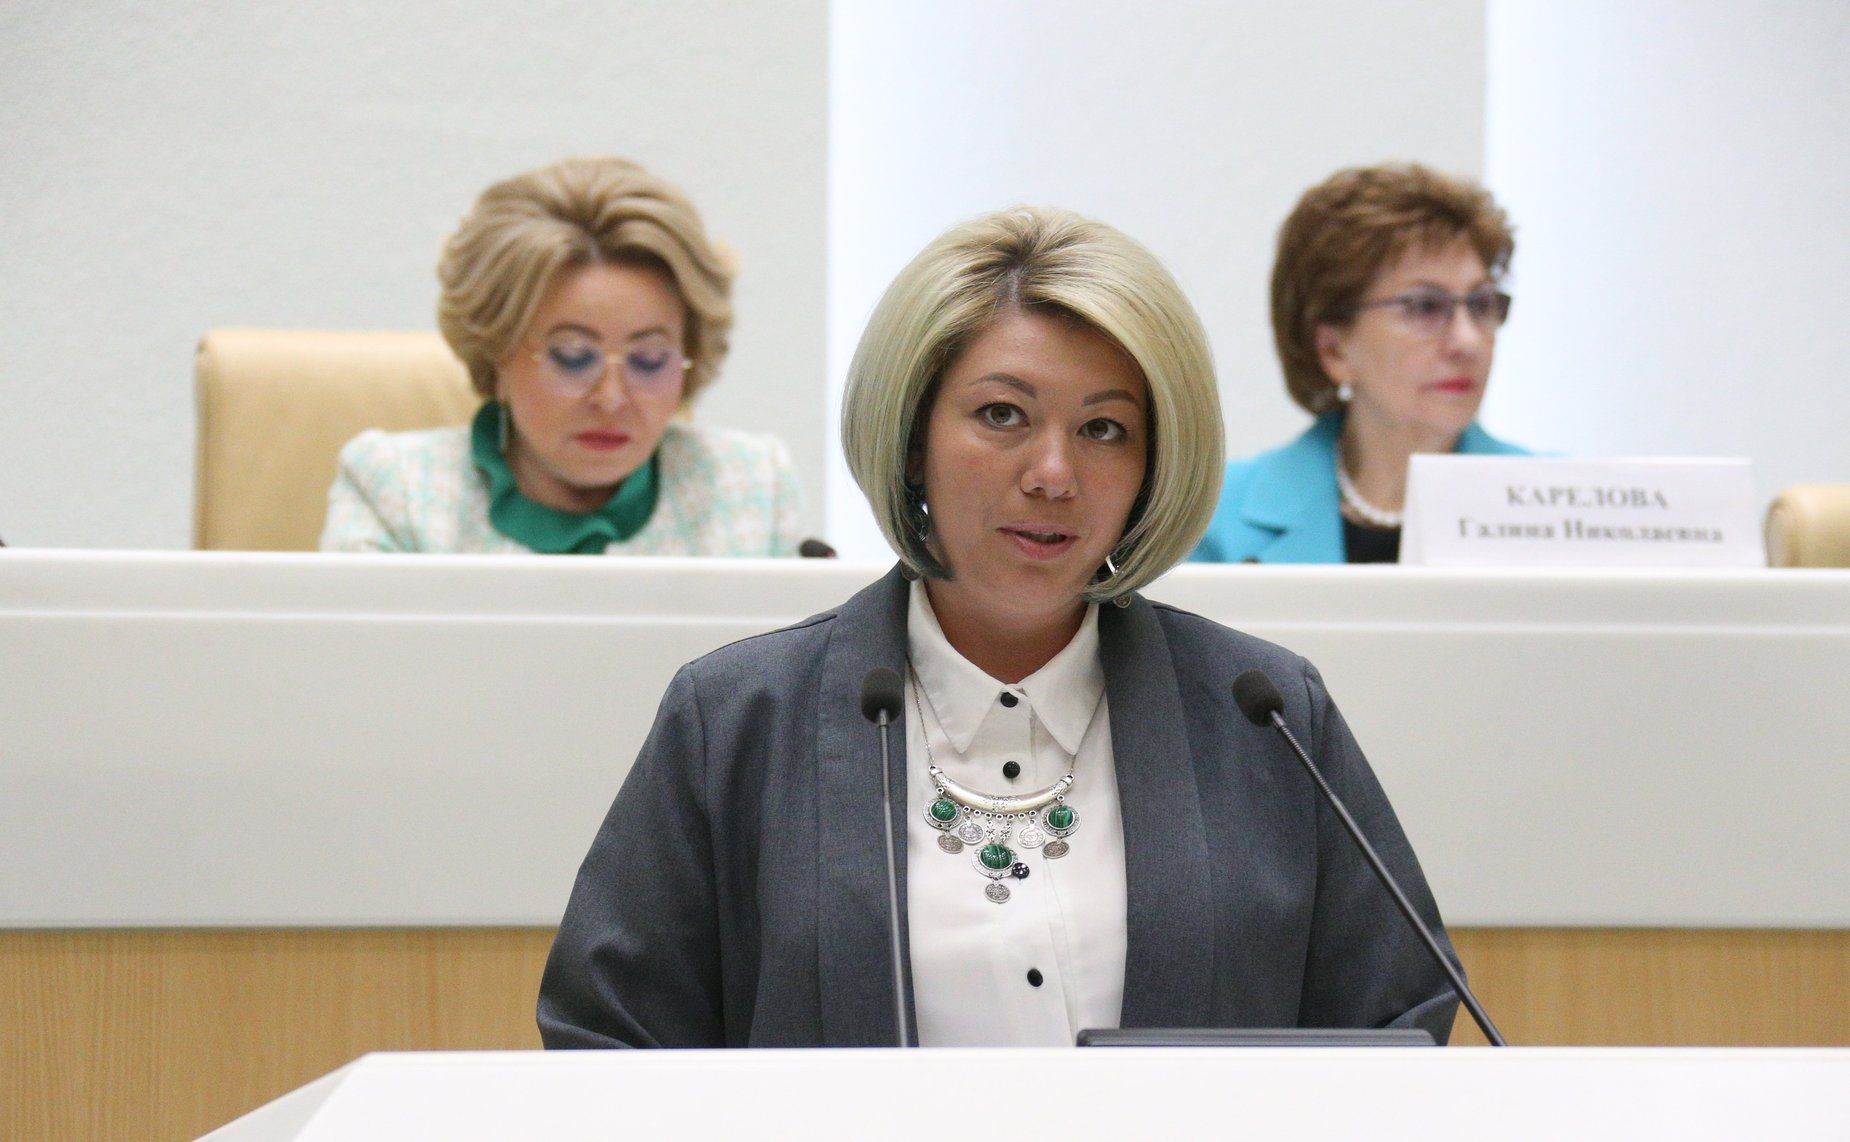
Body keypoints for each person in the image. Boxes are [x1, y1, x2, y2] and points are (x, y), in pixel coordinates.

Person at [538, 206, 1462, 1047]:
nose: (1054, 474)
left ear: (1152, 466)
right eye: (1001, 415)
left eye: (1105, 430)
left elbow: (1399, 1025)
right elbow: (606, 1042)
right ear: (913, 440)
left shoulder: (1262, 714)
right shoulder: (737, 719)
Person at [320, 156, 801, 555]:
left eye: (650, 360)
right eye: (573, 357)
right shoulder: (398, 490)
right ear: (497, 351)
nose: (611, 399)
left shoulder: (751, 487)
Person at [1194, 163, 1529, 564]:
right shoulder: (1211, 521)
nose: (1468, 341)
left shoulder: (1560, 511)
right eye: (1425, 306)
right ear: (1333, 350)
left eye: (1482, 304)